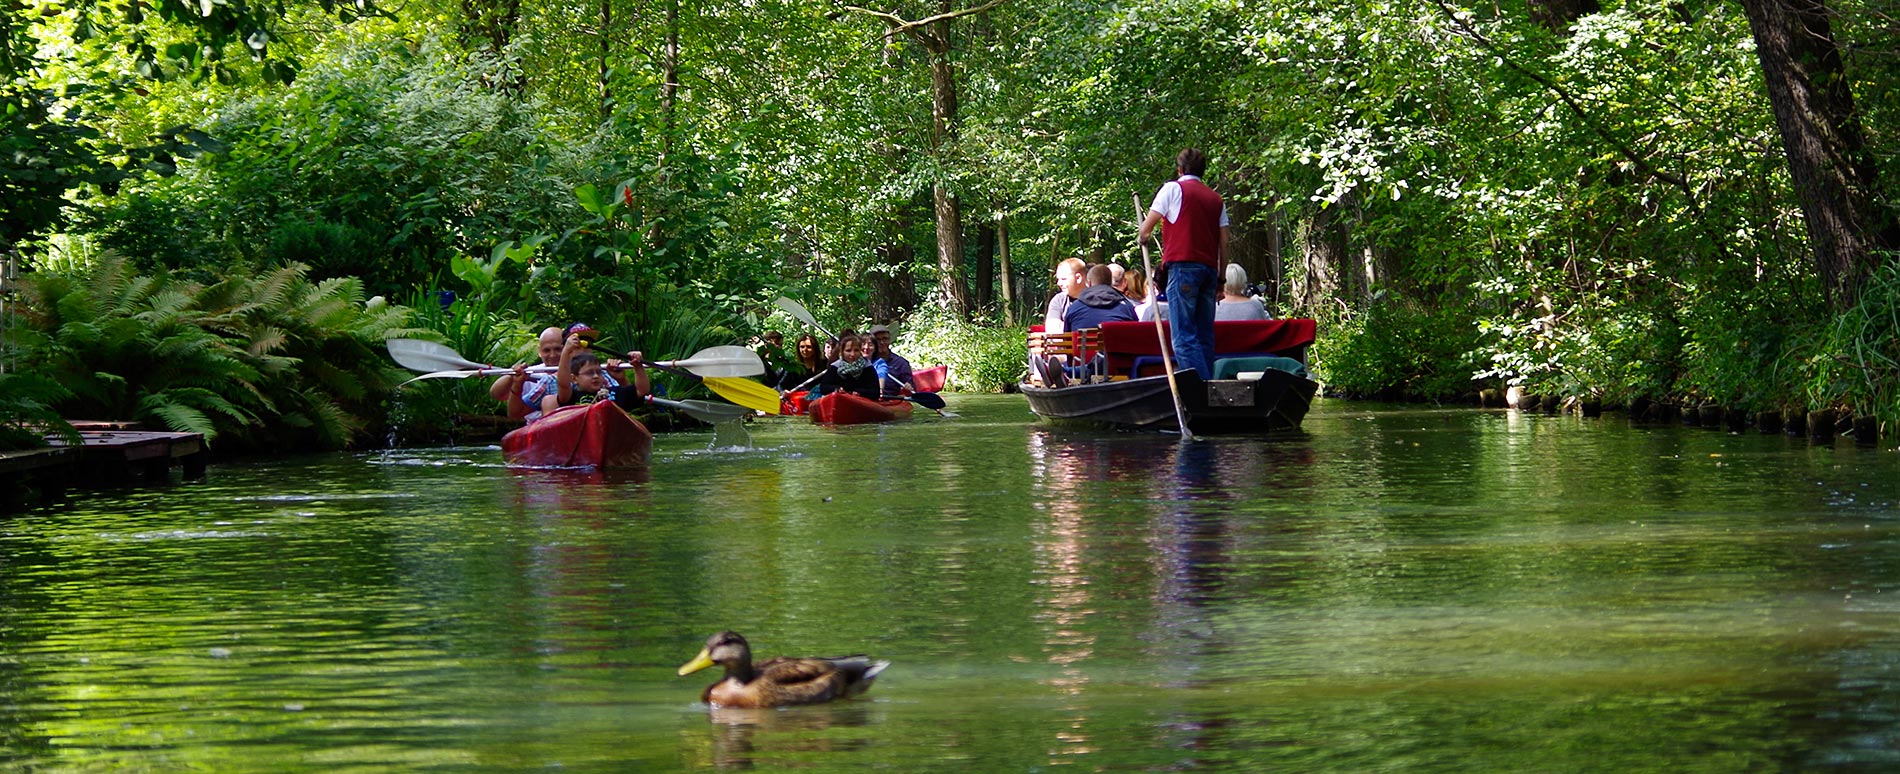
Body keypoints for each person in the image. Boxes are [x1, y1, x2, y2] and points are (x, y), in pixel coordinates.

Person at [1137, 147, 1229, 377]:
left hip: (1183, 268)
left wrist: (1142, 237)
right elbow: (1224, 242)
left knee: (1184, 337)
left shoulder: (1172, 189)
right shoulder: (1216, 199)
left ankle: (1201, 389)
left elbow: (1145, 231)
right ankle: (1209, 386)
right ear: (1203, 171)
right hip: (1209, 271)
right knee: (1204, 335)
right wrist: (1221, 279)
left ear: (1179, 170)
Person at [490, 326, 564, 422]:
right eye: (546, 350)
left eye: (558, 349)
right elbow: (496, 394)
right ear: (539, 351)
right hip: (536, 425)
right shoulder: (529, 372)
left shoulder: (577, 370)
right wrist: (513, 376)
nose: (553, 355)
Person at [1062, 263, 1137, 331]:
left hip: (1085, 342)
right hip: (1116, 342)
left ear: (1089, 283)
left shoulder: (1074, 308)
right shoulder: (1126, 307)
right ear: (1110, 282)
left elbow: (1067, 337)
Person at [811, 334, 880, 400]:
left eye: (856, 350)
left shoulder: (868, 368)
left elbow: (875, 392)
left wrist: (859, 393)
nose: (852, 354)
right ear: (842, 352)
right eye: (848, 350)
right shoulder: (835, 367)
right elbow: (824, 387)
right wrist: (837, 389)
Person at [1041, 258, 1088, 334]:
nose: (1059, 283)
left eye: (1063, 279)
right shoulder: (1059, 300)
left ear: (1078, 278)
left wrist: (1064, 326)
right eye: (1058, 279)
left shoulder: (1096, 298)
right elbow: (1052, 331)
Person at [868, 324, 914, 398]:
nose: (882, 342)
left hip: (891, 399)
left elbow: (911, 390)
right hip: (868, 399)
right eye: (877, 340)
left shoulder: (901, 363)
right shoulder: (865, 361)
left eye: (885, 339)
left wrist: (908, 389)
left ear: (889, 340)